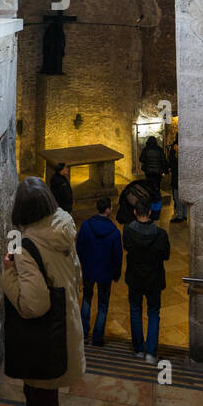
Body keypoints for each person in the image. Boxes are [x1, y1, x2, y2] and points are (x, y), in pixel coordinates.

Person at [0, 177, 85, 406]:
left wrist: (8, 275)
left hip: (45, 337)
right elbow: (76, 277)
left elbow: (34, 305)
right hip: (66, 327)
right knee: (36, 398)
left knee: (44, 405)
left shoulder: (26, 246)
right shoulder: (63, 227)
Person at [122, 188, 169, 362]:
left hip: (135, 278)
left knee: (135, 311)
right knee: (153, 313)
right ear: (150, 212)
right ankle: (150, 353)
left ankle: (138, 349)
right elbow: (166, 255)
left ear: (135, 211)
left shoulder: (127, 230)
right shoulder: (161, 235)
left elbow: (127, 247)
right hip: (154, 279)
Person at [76, 196, 123, 346]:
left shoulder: (86, 225)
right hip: (105, 272)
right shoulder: (114, 232)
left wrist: (83, 264)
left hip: (89, 269)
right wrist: (116, 273)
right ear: (108, 210)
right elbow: (117, 256)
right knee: (103, 304)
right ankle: (97, 338)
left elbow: (79, 248)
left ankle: (83, 333)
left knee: (87, 299)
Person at [170, 140, 188, 222]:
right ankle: (184, 215)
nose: (174, 147)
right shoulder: (184, 155)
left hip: (177, 180)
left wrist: (172, 152)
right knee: (183, 197)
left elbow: (171, 164)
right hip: (183, 180)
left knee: (178, 198)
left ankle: (180, 216)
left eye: (175, 146)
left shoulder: (176, 156)